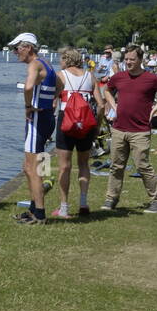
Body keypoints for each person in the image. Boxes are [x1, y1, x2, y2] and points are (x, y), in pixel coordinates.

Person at [102, 44, 157, 214]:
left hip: (140, 130)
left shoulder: (152, 78)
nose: (128, 62)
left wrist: (154, 109)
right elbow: (107, 91)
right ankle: (111, 198)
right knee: (116, 166)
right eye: (126, 59)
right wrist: (114, 106)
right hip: (119, 129)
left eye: (132, 59)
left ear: (140, 60)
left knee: (143, 166)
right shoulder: (118, 77)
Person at [9, 32, 55, 225]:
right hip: (47, 118)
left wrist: (28, 106)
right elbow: (59, 84)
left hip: (36, 119)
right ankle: (33, 209)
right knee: (30, 167)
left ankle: (40, 214)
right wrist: (50, 101)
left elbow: (28, 88)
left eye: (16, 48)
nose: (15, 52)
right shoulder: (47, 64)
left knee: (31, 168)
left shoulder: (34, 64)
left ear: (27, 47)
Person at [53, 48, 99, 218]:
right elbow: (100, 104)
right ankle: (83, 202)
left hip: (66, 120)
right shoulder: (90, 76)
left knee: (64, 166)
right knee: (84, 164)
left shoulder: (61, 76)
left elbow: (53, 101)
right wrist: (97, 126)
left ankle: (64, 207)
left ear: (66, 60)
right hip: (86, 123)